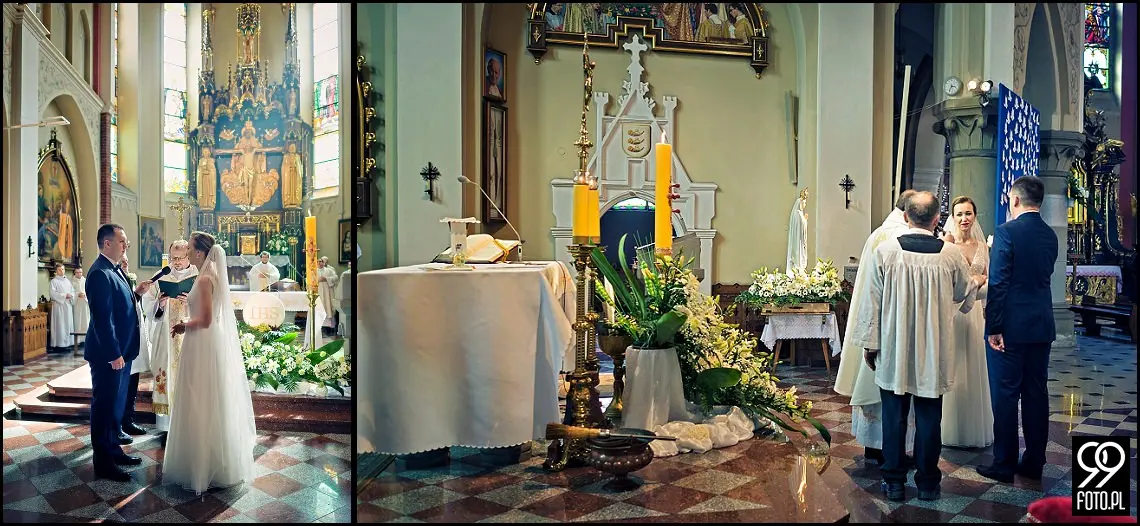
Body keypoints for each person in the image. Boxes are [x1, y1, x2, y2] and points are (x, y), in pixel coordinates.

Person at [850, 191, 972, 502]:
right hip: (934, 350)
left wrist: (870, 345)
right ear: (936, 220)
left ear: (906, 217)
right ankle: (929, 483)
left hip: (894, 348)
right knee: (930, 419)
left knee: (894, 417)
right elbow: (961, 292)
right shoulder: (950, 254)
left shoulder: (887, 251)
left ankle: (893, 482)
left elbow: (871, 302)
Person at [976, 176, 1058, 483]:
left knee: (1006, 396)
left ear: (1014, 200)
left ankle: (1004, 463)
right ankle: (1035, 461)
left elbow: (999, 283)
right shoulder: (1050, 235)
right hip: (1041, 325)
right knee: (1036, 394)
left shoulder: (1007, 232)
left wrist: (994, 327)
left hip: (1010, 328)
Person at [164, 231, 257, 494]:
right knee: (209, 400)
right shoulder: (209, 275)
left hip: (201, 342)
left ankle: (202, 466)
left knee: (200, 400)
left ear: (201, 253)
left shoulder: (204, 278)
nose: (187, 254)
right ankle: (214, 461)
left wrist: (183, 325)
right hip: (206, 342)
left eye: (190, 250)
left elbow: (204, 320)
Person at [834, 189, 917, 465]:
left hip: (872, 322)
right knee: (889, 392)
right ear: (909, 213)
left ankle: (873, 446)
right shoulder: (898, 237)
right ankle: (888, 451)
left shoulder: (878, 233)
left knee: (873, 386)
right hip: (891, 325)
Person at [84, 223, 153, 482]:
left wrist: (136, 293)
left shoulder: (115, 270)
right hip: (108, 355)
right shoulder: (99, 273)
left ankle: (114, 450)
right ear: (107, 243)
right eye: (122, 241)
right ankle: (103, 462)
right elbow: (103, 319)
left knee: (115, 407)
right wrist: (114, 354)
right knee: (104, 407)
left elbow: (120, 305)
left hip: (123, 353)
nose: (126, 246)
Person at [939, 196, 994, 448]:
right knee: (954, 364)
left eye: (968, 213)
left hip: (975, 316)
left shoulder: (982, 247)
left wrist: (984, 290)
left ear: (975, 215)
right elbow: (944, 286)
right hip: (952, 314)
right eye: (959, 214)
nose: (964, 219)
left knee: (974, 365)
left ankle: (974, 428)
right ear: (952, 217)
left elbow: (991, 283)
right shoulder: (945, 247)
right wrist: (977, 281)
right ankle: (950, 428)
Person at [141, 240, 198, 433]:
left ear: (188, 256)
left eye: (180, 258)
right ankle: (166, 427)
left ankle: (188, 424)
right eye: (173, 258)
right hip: (165, 336)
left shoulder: (198, 276)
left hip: (191, 334)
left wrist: (190, 302)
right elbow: (147, 306)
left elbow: (209, 307)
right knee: (165, 372)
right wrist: (160, 304)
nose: (176, 262)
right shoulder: (160, 277)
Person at [119, 255, 150, 441]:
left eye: (126, 261)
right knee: (121, 388)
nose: (126, 263)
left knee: (132, 384)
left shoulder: (126, 279)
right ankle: (117, 427)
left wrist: (138, 295)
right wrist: (136, 293)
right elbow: (119, 309)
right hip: (122, 345)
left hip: (133, 343)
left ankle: (128, 420)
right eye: (122, 261)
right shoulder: (110, 278)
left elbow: (134, 308)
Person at [49, 263, 76, 353]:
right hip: (59, 306)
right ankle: (59, 345)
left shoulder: (67, 281)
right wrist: (64, 295)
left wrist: (71, 295)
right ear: (56, 271)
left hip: (67, 306)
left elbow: (72, 291)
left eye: (63, 269)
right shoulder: (54, 281)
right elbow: (53, 294)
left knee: (67, 325)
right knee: (60, 325)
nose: (62, 271)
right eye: (60, 269)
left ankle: (67, 343)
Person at [316, 257, 340, 334]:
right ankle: (320, 327)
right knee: (319, 308)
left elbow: (336, 278)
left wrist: (326, 279)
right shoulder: (313, 271)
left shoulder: (329, 270)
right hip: (318, 293)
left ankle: (330, 328)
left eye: (321, 261)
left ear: (324, 263)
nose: (320, 263)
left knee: (328, 308)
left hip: (328, 293)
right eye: (318, 261)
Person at [72, 267, 89, 346]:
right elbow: (71, 292)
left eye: (80, 272)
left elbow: (89, 291)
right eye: (77, 272)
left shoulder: (85, 281)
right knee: (77, 321)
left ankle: (86, 340)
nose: (79, 274)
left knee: (85, 321)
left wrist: (85, 295)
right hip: (77, 305)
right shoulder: (72, 282)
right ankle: (77, 340)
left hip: (85, 304)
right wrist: (77, 294)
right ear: (74, 273)